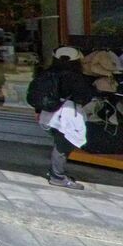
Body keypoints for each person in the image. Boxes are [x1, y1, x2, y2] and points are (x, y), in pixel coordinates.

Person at [29, 46, 96, 190]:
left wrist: (38, 111)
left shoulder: (47, 73)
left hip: (48, 114)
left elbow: (39, 93)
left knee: (60, 143)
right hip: (66, 114)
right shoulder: (74, 76)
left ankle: (57, 172)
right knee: (63, 146)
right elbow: (84, 97)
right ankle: (57, 176)